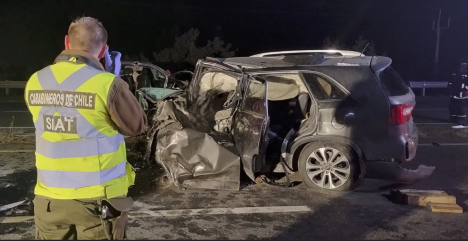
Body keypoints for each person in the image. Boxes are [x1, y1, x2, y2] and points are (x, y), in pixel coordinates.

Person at [24, 16, 147, 240]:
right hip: (97, 201)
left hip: (48, 200)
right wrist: (113, 78)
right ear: (104, 51)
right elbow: (136, 126)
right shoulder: (107, 83)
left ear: (66, 42)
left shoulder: (35, 80)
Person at [448, 61, 468, 129]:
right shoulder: (454, 74)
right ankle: (453, 118)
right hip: (454, 94)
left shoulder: (466, 75)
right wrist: (449, 88)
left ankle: (461, 120)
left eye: (463, 67)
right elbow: (450, 82)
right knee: (452, 107)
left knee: (461, 108)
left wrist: (466, 90)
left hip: (462, 96)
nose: (461, 68)